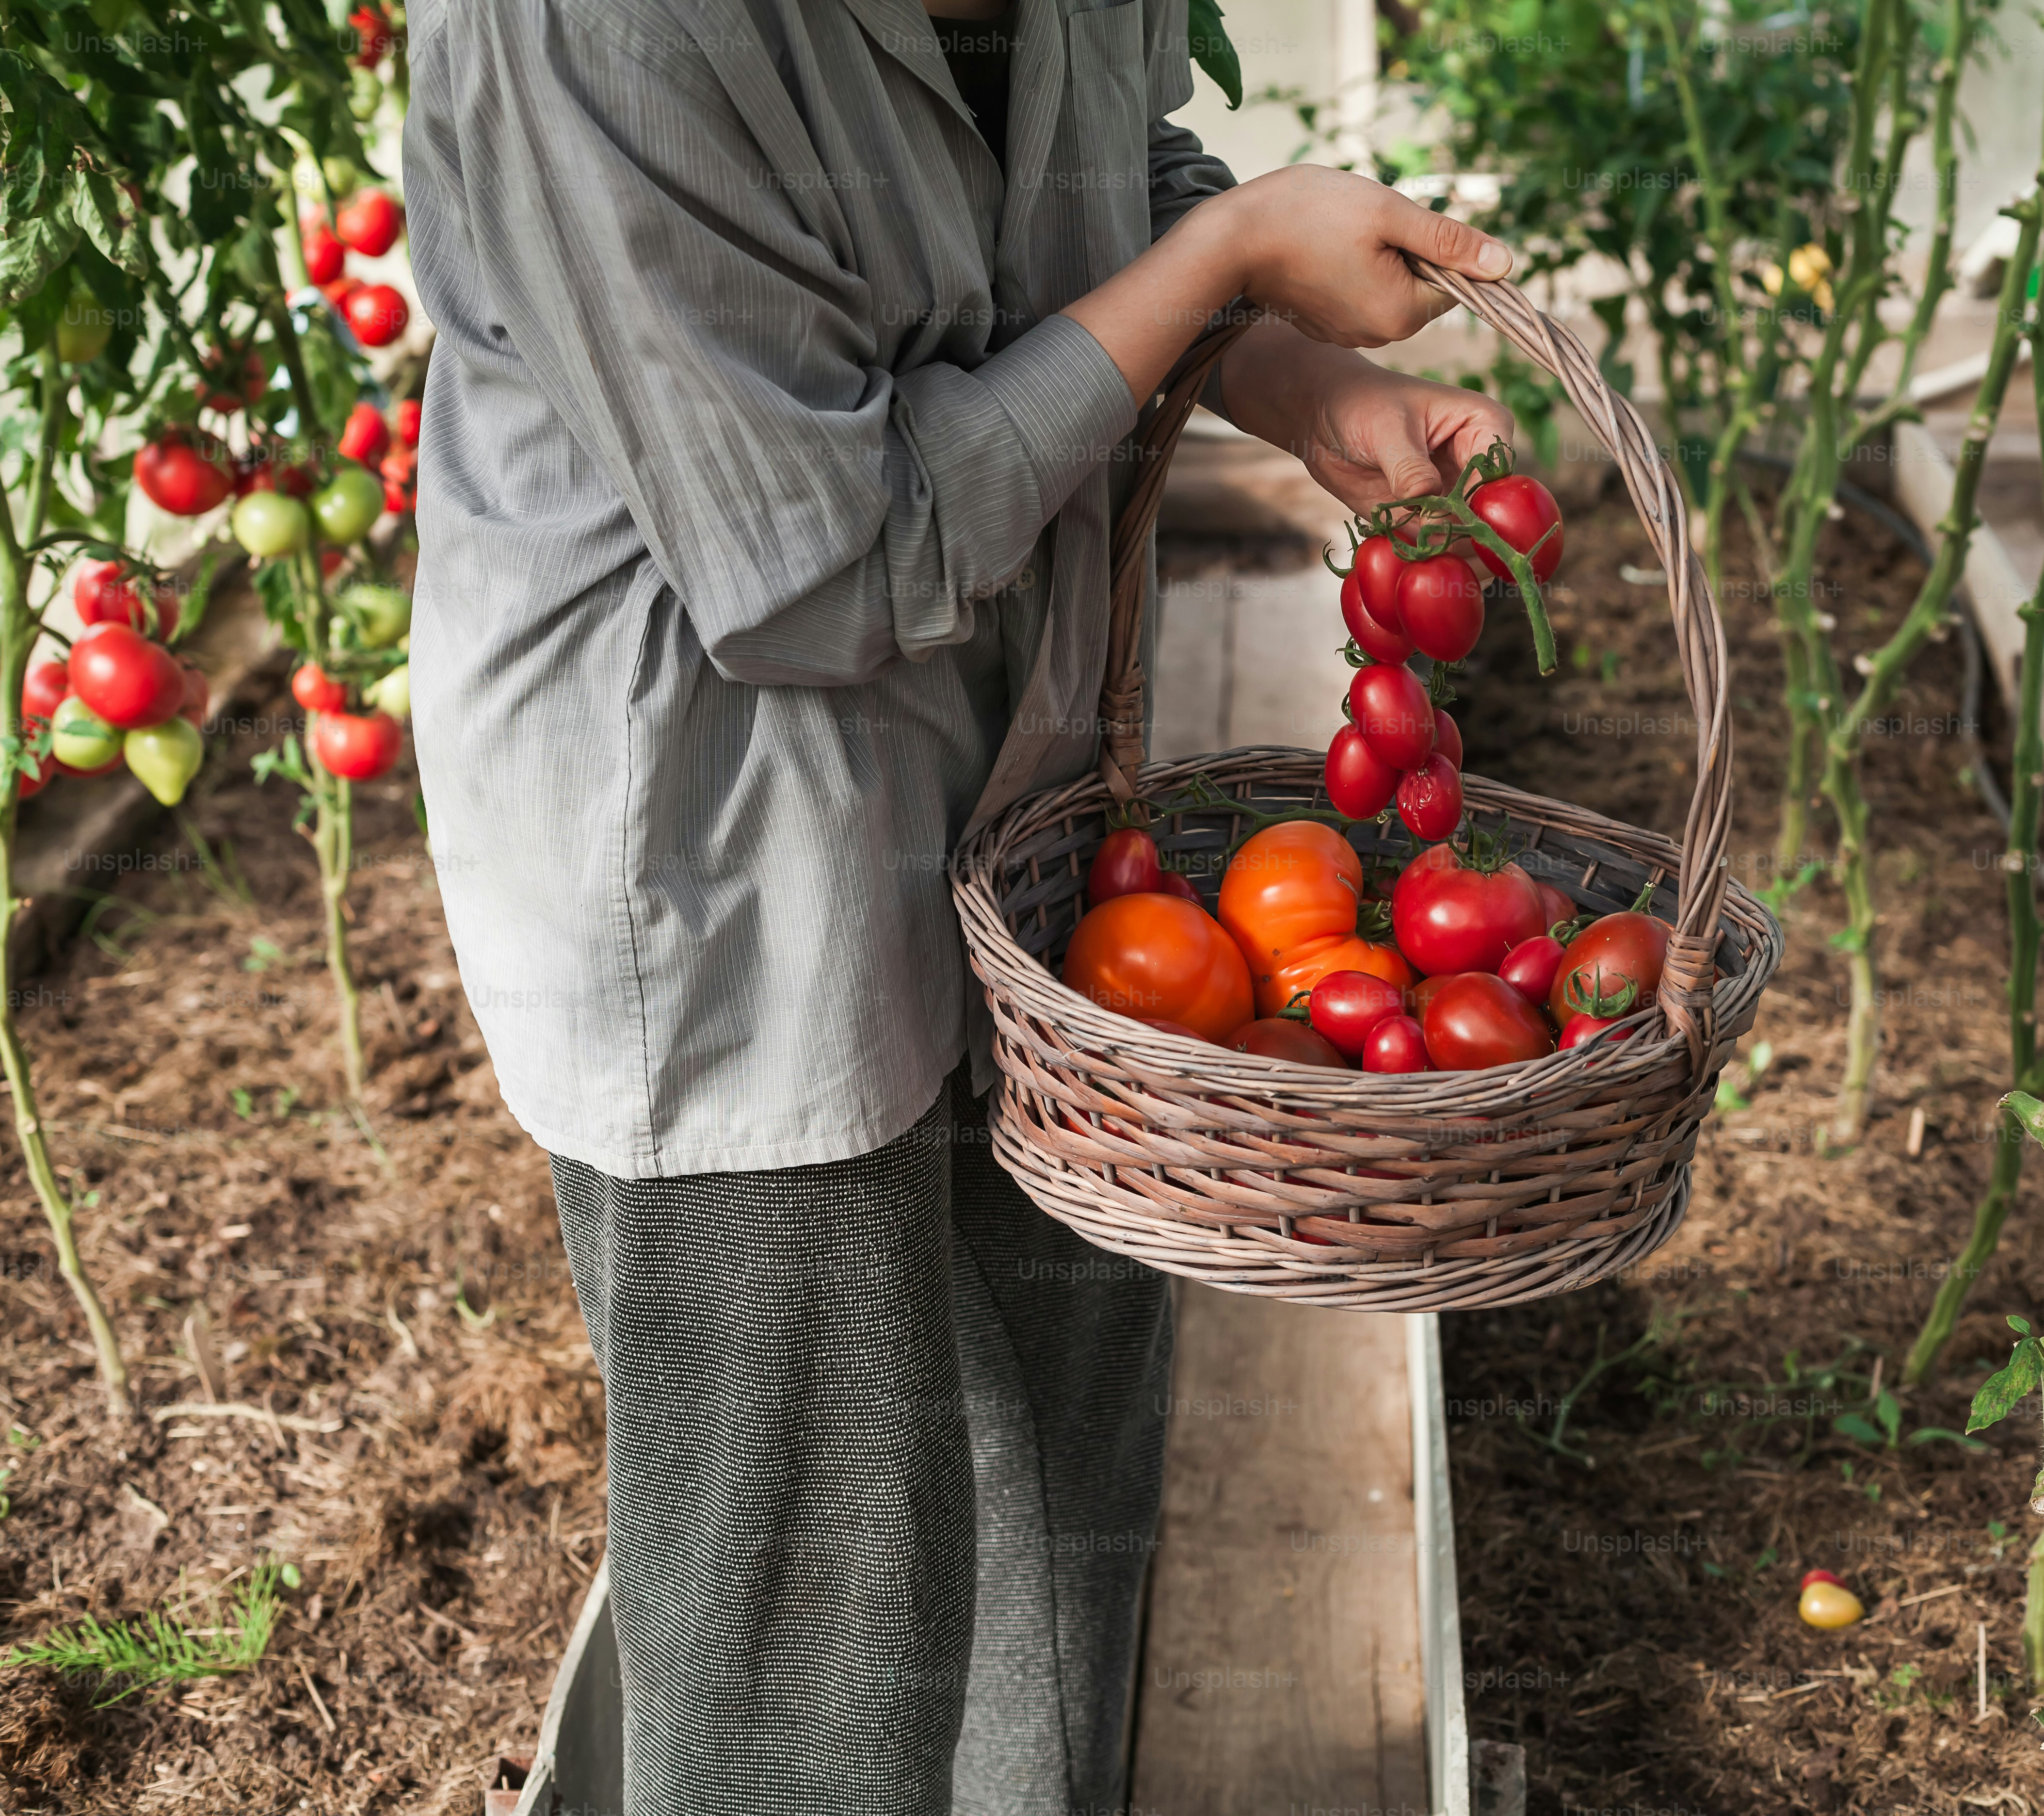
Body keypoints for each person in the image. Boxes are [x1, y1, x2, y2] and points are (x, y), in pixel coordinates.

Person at [400, 0, 1515, 1808]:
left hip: (1041, 804)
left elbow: (1104, 175)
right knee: (813, 1618)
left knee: (1062, 1472)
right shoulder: (587, 33)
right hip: (726, 846)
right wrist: (1236, 248)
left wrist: (1293, 377)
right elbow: (816, 563)